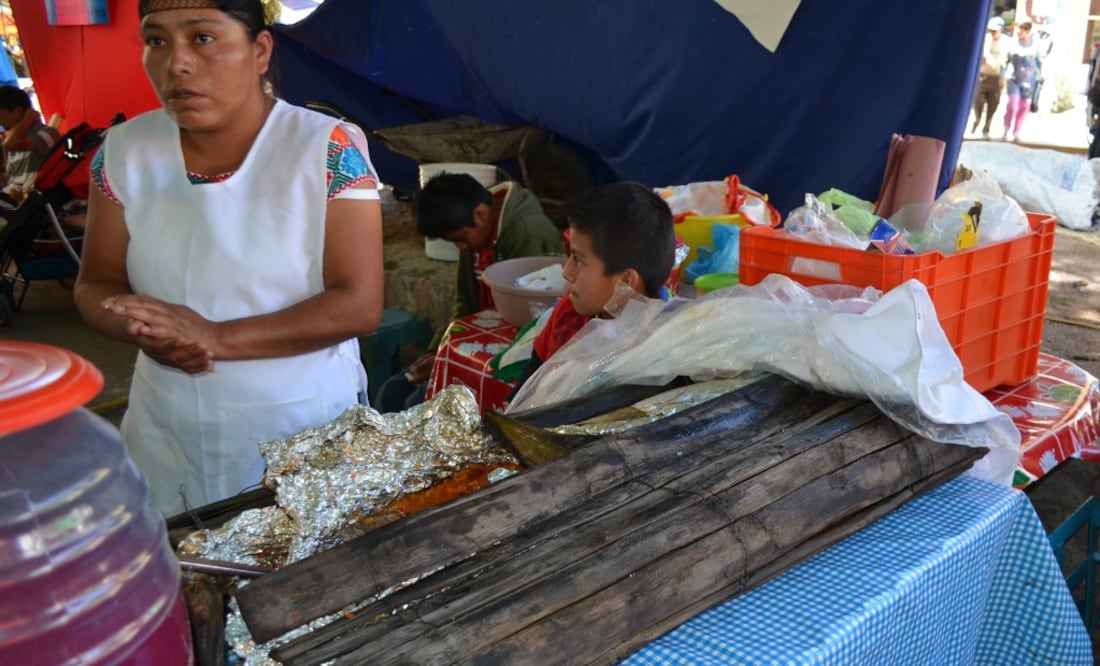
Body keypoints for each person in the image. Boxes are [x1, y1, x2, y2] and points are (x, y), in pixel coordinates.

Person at [73, 0, 384, 516]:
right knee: (183, 564)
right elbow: (96, 282)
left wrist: (214, 338)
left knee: (292, 574)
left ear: (260, 50)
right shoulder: (125, 151)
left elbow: (358, 303)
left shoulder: (324, 148)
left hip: (296, 428)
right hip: (166, 424)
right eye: (156, 41)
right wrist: (140, 328)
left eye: (202, 38)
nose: (177, 63)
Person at [374, 172, 563, 412]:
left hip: (509, 359)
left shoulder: (528, 234)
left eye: (461, 239)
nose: (461, 248)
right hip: (475, 347)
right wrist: (438, 350)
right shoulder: (475, 234)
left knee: (415, 405)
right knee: (392, 390)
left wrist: (452, 360)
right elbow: (465, 304)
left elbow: (532, 325)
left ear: (480, 214)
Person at [509, 181, 675, 394]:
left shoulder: (660, 346)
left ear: (625, 280)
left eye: (578, 259)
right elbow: (527, 387)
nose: (566, 272)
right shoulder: (568, 315)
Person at [0, 85, 61, 196]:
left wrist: (28, 119)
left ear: (18, 111)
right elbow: (11, 177)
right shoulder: (12, 138)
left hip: (32, 202)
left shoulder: (48, 133)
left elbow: (10, 144)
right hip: (12, 198)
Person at [1002, 21, 1042, 142]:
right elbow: (1006, 61)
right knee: (1012, 105)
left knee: (1024, 107)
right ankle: (1006, 129)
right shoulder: (1013, 44)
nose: (1018, 33)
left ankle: (1017, 132)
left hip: (1029, 82)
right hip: (1014, 79)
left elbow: (1039, 63)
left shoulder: (1036, 45)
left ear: (1027, 31)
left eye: (1021, 30)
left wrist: (1040, 78)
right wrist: (1003, 75)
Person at [971, 17, 1006, 139]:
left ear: (1001, 29)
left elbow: (1005, 62)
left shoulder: (1005, 42)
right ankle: (976, 121)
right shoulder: (985, 40)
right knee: (978, 101)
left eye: (994, 30)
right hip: (983, 76)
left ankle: (986, 129)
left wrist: (1002, 77)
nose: (992, 33)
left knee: (993, 105)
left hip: (995, 77)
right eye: (990, 30)